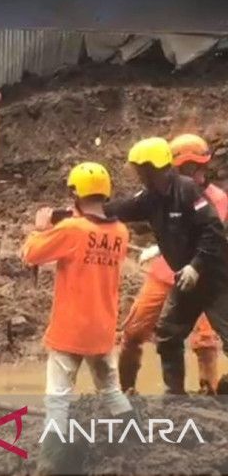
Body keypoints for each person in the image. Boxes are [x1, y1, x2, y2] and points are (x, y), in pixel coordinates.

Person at [22, 162, 134, 474]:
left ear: (75, 193)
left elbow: (31, 253)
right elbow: (94, 242)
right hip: (103, 329)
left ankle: (51, 466)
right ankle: (130, 446)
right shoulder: (121, 232)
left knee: (58, 398)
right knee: (110, 388)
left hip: (70, 330)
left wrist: (41, 228)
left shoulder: (72, 229)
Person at [105, 137, 228, 394]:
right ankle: (175, 396)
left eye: (142, 170)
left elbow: (212, 229)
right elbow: (120, 208)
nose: (139, 175)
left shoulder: (187, 190)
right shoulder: (150, 198)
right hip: (184, 279)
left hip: (216, 278)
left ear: (154, 168)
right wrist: (85, 209)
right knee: (168, 335)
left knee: (216, 338)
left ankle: (213, 389)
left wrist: (196, 265)